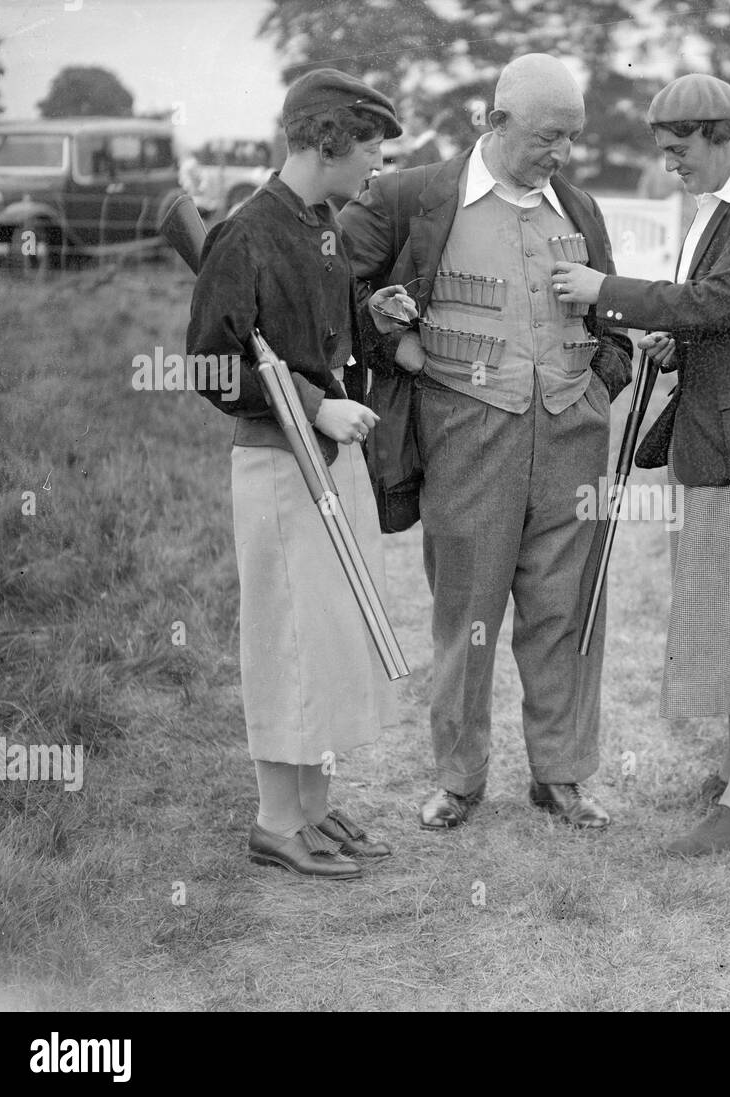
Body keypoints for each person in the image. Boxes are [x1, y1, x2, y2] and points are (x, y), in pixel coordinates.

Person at [339, 54, 633, 832]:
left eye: (572, 137)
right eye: (547, 136)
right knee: (466, 612)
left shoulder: (581, 206)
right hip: (467, 432)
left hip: (573, 435)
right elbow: (333, 290)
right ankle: (460, 780)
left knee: (568, 611)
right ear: (494, 123)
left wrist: (603, 382)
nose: (561, 154)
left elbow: (613, 317)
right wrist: (396, 350)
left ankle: (562, 776)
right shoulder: (410, 198)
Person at [553, 74, 730, 855]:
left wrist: (608, 291)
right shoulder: (724, 204)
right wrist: (681, 341)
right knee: (727, 618)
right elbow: (715, 313)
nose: (669, 164)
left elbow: (721, 302)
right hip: (715, 437)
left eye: (678, 150)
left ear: (719, 134)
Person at [187, 69, 416, 879]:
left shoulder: (319, 222)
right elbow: (212, 369)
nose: (376, 167)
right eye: (370, 150)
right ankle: (275, 821)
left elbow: (329, 330)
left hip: (329, 461)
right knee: (286, 638)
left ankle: (315, 806)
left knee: (326, 637)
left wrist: (378, 317)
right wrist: (317, 405)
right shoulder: (245, 233)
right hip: (281, 465)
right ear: (326, 143)